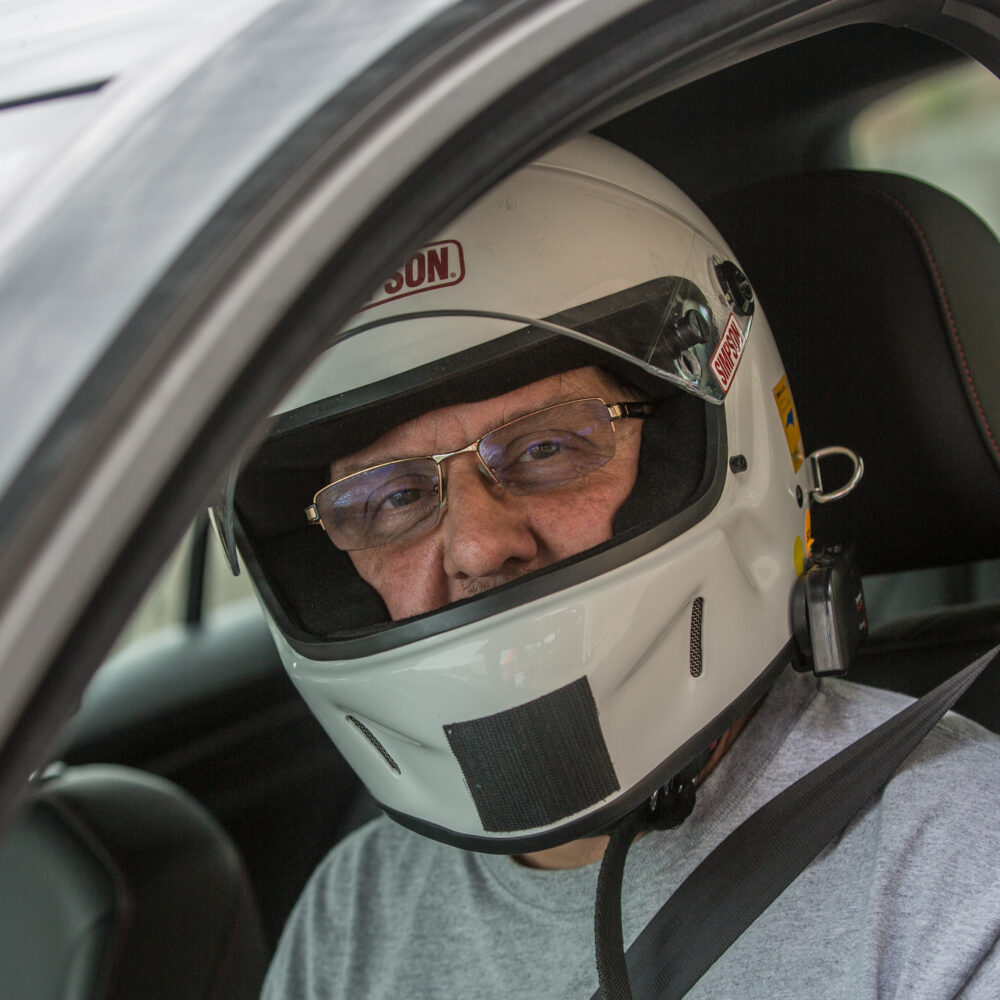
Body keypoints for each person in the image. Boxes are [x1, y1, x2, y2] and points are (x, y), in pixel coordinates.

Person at [216, 135, 1000, 997]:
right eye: (391, 499)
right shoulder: (355, 909)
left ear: (695, 443)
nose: (478, 546)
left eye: (548, 447)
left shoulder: (953, 853)